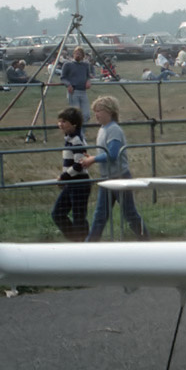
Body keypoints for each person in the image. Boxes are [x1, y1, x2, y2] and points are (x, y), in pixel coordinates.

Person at [80, 96, 148, 241]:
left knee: (130, 214)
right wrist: (92, 157)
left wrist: (93, 159)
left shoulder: (114, 130)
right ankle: (89, 247)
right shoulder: (103, 129)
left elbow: (112, 154)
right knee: (100, 215)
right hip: (107, 178)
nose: (96, 114)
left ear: (109, 112)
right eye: (95, 111)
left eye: (99, 111)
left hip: (120, 178)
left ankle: (146, 241)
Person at [50, 106, 91, 241]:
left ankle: (82, 243)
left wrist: (63, 177)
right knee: (58, 213)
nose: (60, 124)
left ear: (74, 124)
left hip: (79, 182)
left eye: (64, 121)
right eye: (59, 121)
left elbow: (79, 164)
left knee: (79, 217)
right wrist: (66, 178)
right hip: (71, 182)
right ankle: (77, 240)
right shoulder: (69, 138)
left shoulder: (77, 140)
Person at [60, 47, 92, 122]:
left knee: (86, 115)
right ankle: (76, 132)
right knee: (76, 115)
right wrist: (68, 85)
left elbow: (88, 76)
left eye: (80, 54)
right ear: (73, 54)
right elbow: (63, 78)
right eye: (76, 53)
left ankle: (81, 132)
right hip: (73, 91)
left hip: (83, 92)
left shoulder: (86, 65)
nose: (78, 55)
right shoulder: (68, 64)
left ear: (83, 56)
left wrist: (88, 81)